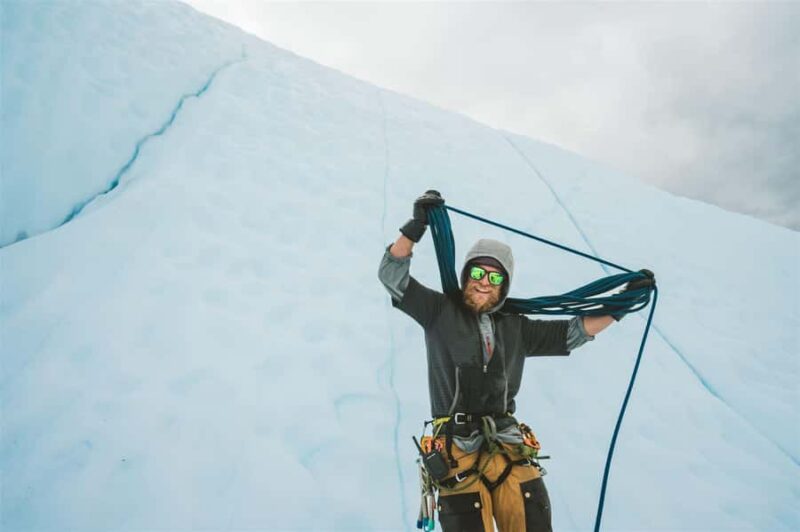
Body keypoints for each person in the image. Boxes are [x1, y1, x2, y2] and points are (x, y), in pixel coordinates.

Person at [378, 190, 654, 532]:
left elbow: (574, 332)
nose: (484, 282)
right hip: (455, 445)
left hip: (506, 441)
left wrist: (623, 303)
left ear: (504, 286)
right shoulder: (439, 311)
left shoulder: (516, 327)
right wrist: (415, 227)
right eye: (478, 273)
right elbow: (393, 276)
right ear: (466, 276)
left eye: (495, 278)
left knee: (530, 519)